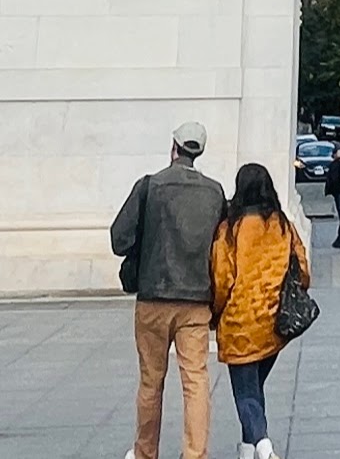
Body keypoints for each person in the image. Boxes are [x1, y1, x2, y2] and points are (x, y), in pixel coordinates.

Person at [112, 123, 229, 459]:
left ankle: (145, 451)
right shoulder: (215, 191)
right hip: (195, 300)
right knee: (196, 381)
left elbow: (119, 238)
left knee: (151, 382)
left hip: (153, 297)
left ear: (174, 146)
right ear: (199, 152)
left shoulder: (150, 185)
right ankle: (194, 453)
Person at [210, 163, 309, 459]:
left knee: (245, 392)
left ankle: (264, 447)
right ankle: (248, 447)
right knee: (254, 388)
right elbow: (302, 269)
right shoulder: (282, 224)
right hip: (274, 321)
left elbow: (221, 278)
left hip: (240, 322)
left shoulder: (231, 229)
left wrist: (215, 314)